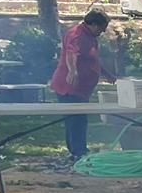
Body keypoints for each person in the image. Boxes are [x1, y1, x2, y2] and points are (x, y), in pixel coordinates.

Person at [49, 8, 115, 161]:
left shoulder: (90, 36)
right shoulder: (76, 35)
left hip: (81, 89)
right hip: (69, 87)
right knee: (75, 120)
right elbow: (72, 53)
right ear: (92, 24)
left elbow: (93, 59)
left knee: (80, 118)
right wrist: (73, 71)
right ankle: (77, 152)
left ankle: (79, 150)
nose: (103, 31)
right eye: (101, 27)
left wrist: (106, 73)